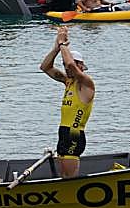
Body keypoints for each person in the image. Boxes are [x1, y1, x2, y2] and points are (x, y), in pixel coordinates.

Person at [40, 27, 95, 178]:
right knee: (63, 175)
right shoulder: (67, 82)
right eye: (64, 65)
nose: (67, 67)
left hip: (75, 135)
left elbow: (71, 65)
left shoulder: (86, 83)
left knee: (69, 178)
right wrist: (56, 48)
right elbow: (45, 67)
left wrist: (63, 43)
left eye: (75, 64)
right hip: (63, 133)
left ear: (82, 66)